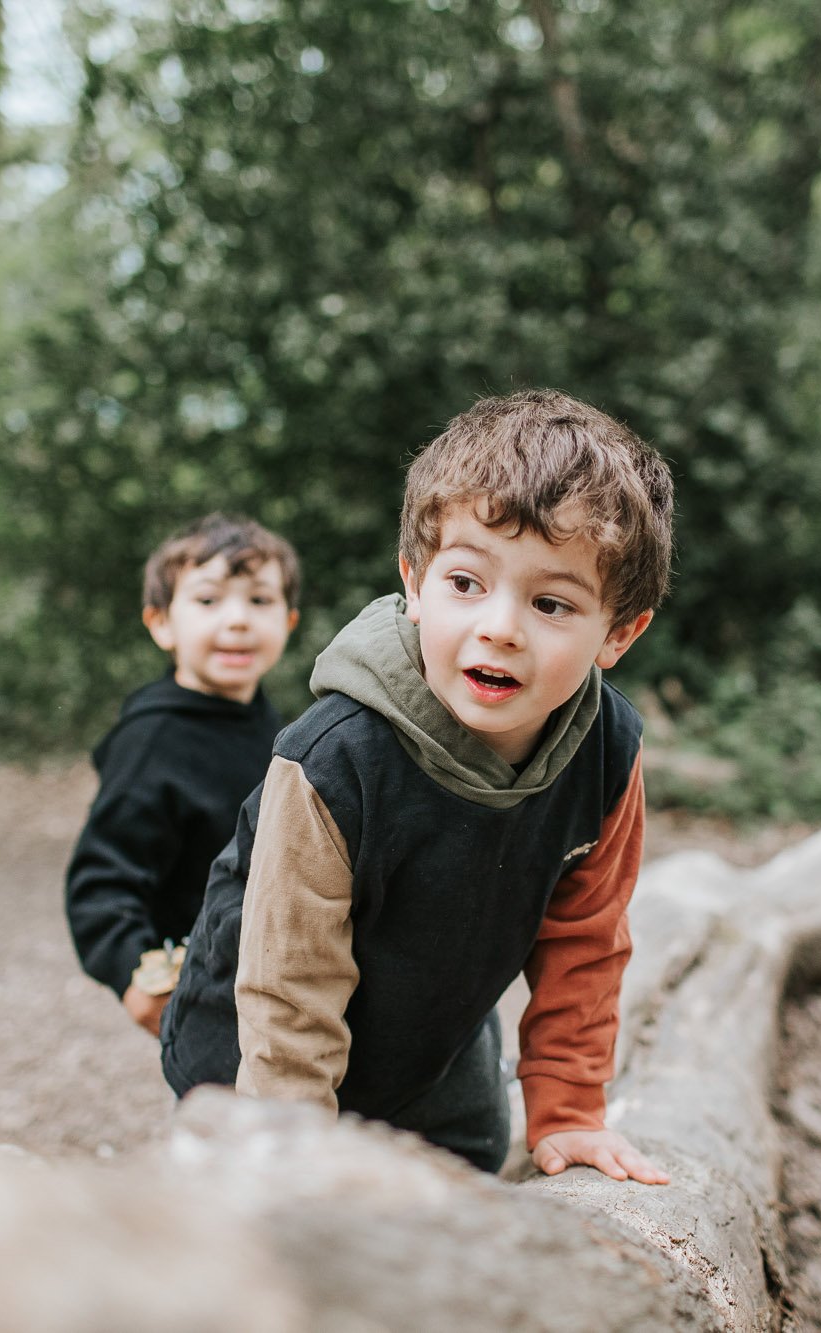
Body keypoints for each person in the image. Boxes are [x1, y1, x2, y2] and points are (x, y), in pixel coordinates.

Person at [160, 389, 674, 1184]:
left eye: (550, 602)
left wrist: (570, 1109)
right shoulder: (332, 759)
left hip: (435, 1039)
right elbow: (290, 982)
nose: (499, 625)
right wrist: (288, 1150)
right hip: (259, 1047)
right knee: (271, 1244)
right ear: (414, 577)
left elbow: (586, 939)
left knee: (458, 1198)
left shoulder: (607, 752)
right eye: (466, 583)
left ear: (618, 632)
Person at [65, 514, 301, 1037]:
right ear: (161, 623)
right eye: (209, 600)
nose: (237, 620)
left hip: (280, 978)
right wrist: (136, 974)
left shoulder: (275, 726)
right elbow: (101, 882)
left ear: (288, 621)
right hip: (205, 989)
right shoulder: (153, 741)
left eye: (260, 601)